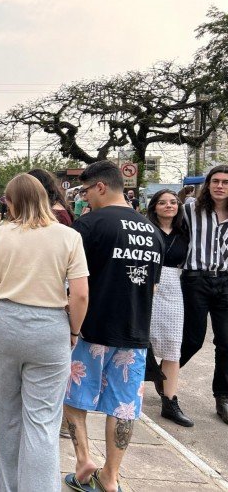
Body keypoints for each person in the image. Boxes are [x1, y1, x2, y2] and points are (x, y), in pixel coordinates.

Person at [0, 174, 89, 492]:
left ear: (12, 202)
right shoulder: (68, 237)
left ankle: (9, 486)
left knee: (4, 414)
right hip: (50, 327)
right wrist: (73, 331)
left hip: (5, 322)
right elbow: (80, 294)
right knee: (43, 419)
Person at [63, 161, 163, 492]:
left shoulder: (88, 225)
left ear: (101, 187)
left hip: (90, 329)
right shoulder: (152, 231)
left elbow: (73, 282)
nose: (84, 198)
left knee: (74, 396)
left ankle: (83, 462)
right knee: (123, 406)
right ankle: (110, 477)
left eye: (86, 191)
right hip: (134, 332)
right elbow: (151, 288)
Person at [179, 164, 228, 425]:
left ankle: (223, 397)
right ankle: (164, 378)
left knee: (226, 341)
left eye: (225, 182)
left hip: (225, 281)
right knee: (193, 339)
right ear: (208, 184)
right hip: (196, 280)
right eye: (215, 181)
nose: (220, 186)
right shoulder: (191, 208)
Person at [145, 189, 193, 426]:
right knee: (141, 342)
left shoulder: (185, 233)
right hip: (146, 286)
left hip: (173, 288)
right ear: (154, 207)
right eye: (162, 203)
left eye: (173, 202)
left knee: (173, 346)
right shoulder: (146, 230)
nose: (168, 206)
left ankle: (170, 401)